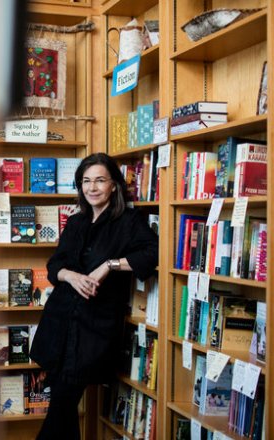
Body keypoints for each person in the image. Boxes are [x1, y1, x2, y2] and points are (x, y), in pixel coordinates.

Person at [29, 153, 159, 439]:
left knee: (61, 407)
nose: (92, 187)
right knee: (63, 410)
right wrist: (70, 275)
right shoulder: (76, 222)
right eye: (86, 181)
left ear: (114, 185)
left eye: (100, 180)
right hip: (59, 324)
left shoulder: (129, 221)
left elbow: (153, 253)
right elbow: (54, 265)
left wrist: (109, 265)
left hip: (92, 330)